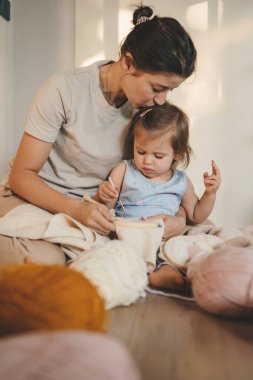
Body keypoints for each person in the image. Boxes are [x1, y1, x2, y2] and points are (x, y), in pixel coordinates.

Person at [0, 4, 197, 279]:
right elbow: (21, 176)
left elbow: (160, 180)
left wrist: (178, 219)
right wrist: (76, 210)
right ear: (129, 63)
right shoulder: (64, 89)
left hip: (98, 210)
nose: (162, 100)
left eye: (169, 90)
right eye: (157, 88)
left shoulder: (148, 113)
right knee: (45, 263)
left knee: (195, 240)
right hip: (35, 199)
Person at [95, 103, 221, 293]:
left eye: (158, 156)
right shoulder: (124, 170)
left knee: (176, 252)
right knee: (114, 252)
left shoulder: (181, 181)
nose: (147, 161)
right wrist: (104, 194)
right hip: (129, 234)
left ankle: (163, 272)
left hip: (163, 238)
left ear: (177, 153)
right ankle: (131, 270)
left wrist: (210, 193)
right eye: (141, 151)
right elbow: (106, 207)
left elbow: (196, 216)